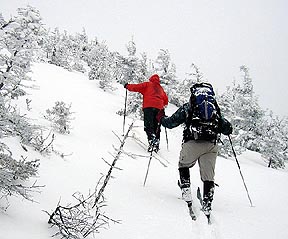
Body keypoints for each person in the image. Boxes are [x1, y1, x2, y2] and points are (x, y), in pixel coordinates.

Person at [156, 82, 232, 217]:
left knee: (183, 165)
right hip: (211, 145)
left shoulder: (189, 107)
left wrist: (161, 117)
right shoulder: (214, 108)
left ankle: (186, 192)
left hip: (192, 142)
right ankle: (207, 204)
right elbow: (227, 128)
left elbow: (171, 123)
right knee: (208, 176)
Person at [124, 74, 168, 152]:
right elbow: (166, 100)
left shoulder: (147, 85)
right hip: (159, 109)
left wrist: (127, 86)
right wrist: (161, 104)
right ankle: (156, 143)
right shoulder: (161, 89)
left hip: (149, 107)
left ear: (151, 79)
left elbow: (136, 87)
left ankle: (152, 140)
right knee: (156, 126)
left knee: (148, 124)